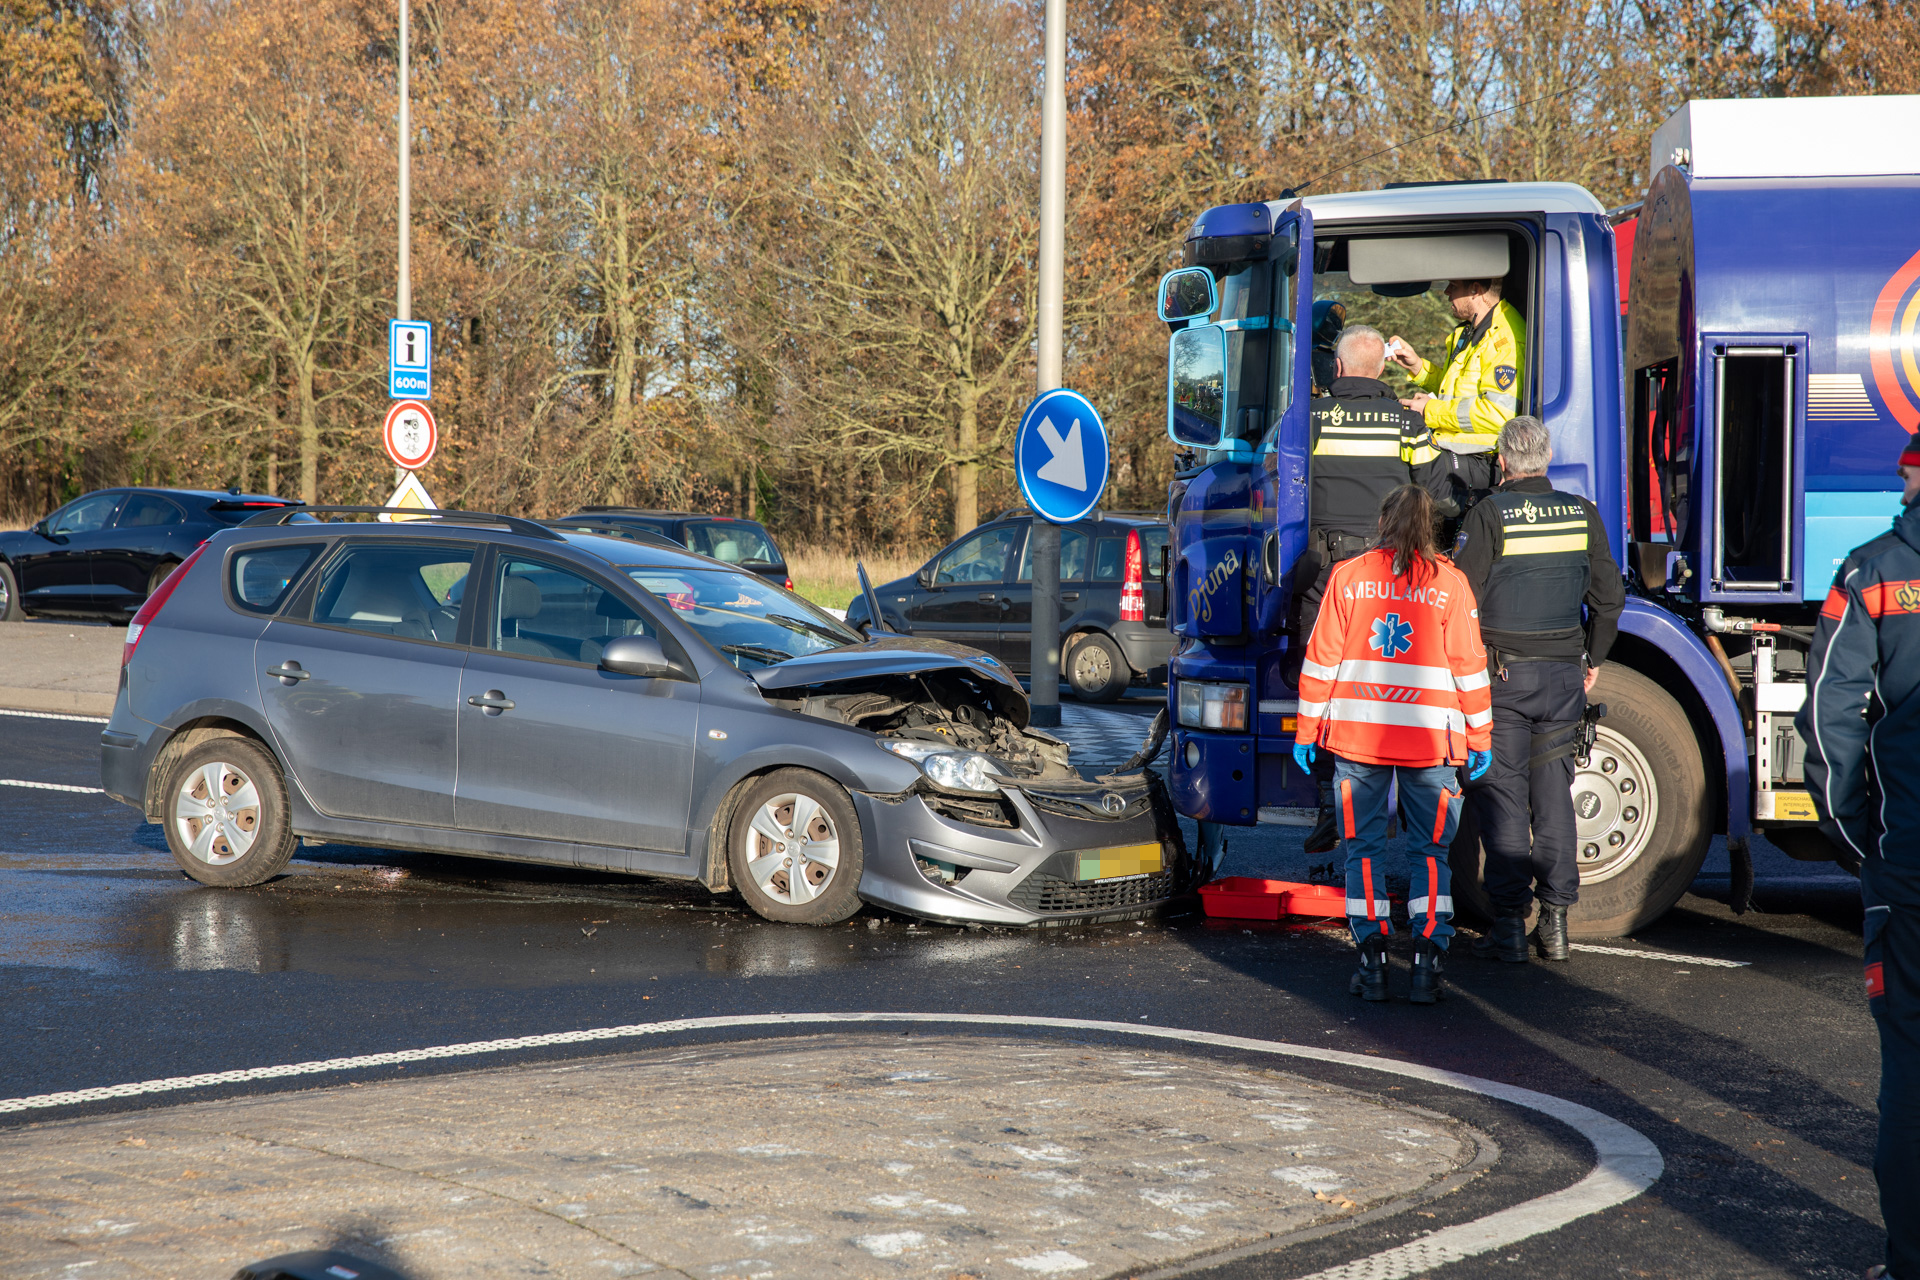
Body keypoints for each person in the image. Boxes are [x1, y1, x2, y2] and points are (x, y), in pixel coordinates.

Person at [1291, 483, 1493, 1004]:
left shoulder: (1348, 577)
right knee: (1431, 854)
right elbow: (1470, 670)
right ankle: (1427, 964)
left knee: (1363, 851)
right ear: (1431, 528)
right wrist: (1480, 737)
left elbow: (1320, 664)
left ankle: (1372, 961)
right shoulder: (1450, 584)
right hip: (1431, 744)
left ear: (1382, 523)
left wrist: (1307, 731)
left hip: (1359, 739)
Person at [1797, 432, 1920, 1280]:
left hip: (1908, 864)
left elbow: (1829, 716)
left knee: (1910, 1073)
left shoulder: (1873, 571)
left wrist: (1855, 838)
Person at [1452, 416, 1624, 963]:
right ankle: (1555, 924)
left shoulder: (1488, 514)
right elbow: (1609, 599)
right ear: (1546, 459)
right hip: (1563, 677)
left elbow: (1462, 597)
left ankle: (1508, 925)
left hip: (1503, 679)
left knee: (1503, 795)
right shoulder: (1582, 514)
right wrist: (1592, 658)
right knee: (1553, 798)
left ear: (1502, 462)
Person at [1294, 324, 1457, 854]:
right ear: (1382, 368)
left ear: (1338, 368)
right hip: (1391, 573)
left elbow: (1285, 484)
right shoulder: (1407, 423)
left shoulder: (1311, 419)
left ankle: (1334, 803)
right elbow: (1439, 493)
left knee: (1327, 677)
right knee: (1392, 679)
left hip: (1327, 572)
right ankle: (1409, 800)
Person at [1387, 278, 1527, 498]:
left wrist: (1429, 410)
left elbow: (1498, 415)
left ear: (1475, 290)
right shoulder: (1473, 331)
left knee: (1397, 473)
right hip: (1458, 453)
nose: (1446, 292)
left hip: (1481, 459)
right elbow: (1456, 392)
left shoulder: (1505, 340)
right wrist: (1418, 367)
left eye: (1453, 286)